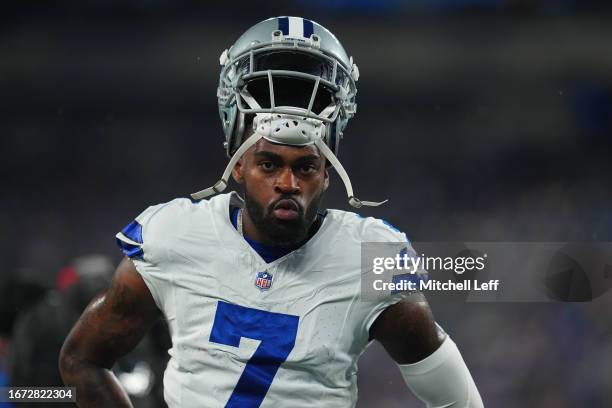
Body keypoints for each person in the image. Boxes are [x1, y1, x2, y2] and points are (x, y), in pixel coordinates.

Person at [60, 16, 483, 407]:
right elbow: (82, 360)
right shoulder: (174, 236)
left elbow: (458, 402)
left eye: (305, 167)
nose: (287, 183)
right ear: (238, 165)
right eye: (269, 164)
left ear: (327, 173)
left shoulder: (368, 258)